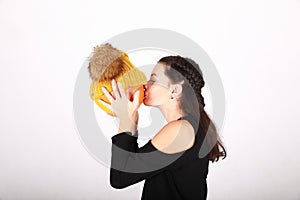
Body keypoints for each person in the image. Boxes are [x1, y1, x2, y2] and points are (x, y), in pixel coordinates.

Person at [101, 55, 226, 200]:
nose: (145, 85)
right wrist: (131, 120)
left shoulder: (180, 131)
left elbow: (120, 178)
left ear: (175, 90)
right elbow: (132, 166)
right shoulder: (187, 127)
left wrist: (125, 119)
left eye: (153, 80)